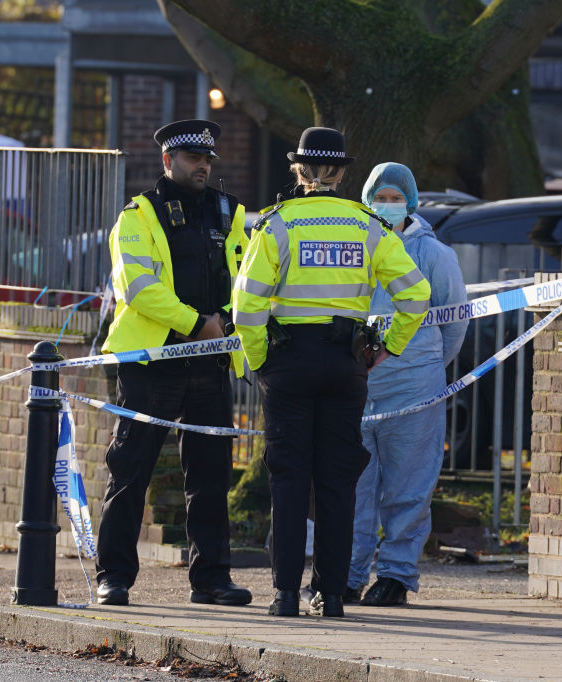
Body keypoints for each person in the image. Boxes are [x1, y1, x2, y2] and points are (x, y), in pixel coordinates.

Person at [232, 127, 431, 618]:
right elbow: (416, 296)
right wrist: (387, 347)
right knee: (338, 481)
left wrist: (259, 359)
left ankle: (283, 595)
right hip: (347, 363)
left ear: (298, 172)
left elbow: (245, 306)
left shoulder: (278, 225)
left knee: (289, 478)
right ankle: (334, 595)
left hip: (289, 363)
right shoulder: (368, 226)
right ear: (343, 173)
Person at [96, 119, 252, 608]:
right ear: (168, 161)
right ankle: (113, 577)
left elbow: (250, 277)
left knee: (210, 475)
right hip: (153, 361)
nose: (203, 166)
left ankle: (211, 578)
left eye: (208, 159)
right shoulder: (138, 215)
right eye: (192, 159)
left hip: (210, 361)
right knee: (130, 470)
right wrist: (196, 324)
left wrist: (224, 324)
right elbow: (138, 288)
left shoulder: (229, 213)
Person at [347, 163, 468, 607]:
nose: (389, 205)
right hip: (357, 389)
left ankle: (396, 575)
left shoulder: (434, 255)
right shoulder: (353, 247)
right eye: (381, 195)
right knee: (353, 489)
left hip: (414, 390)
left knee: (409, 487)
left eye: (397, 198)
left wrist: (426, 366)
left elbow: (453, 325)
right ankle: (348, 574)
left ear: (411, 203)